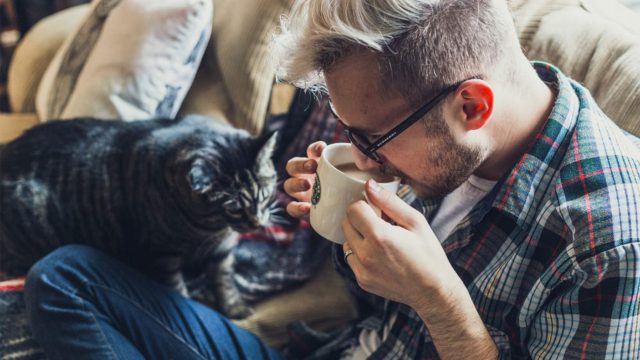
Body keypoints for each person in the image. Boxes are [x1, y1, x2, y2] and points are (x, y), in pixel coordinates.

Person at [23, 0, 640, 359]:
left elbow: (435, 307)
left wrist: (441, 304)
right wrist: (340, 230)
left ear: (472, 106)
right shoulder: (453, 141)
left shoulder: (609, 241)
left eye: (371, 138)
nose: (362, 158)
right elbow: (377, 305)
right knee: (63, 277)